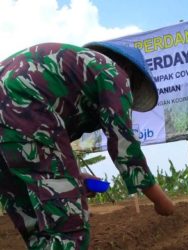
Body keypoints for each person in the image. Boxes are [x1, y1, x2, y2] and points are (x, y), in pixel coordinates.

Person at [0, 42, 175, 249]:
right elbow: (124, 146)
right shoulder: (114, 73)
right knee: (67, 228)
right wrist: (159, 199)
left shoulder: (79, 69)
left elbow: (47, 148)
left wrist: (76, 176)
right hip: (24, 106)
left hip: (17, 116)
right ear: (129, 71)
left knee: (36, 225)